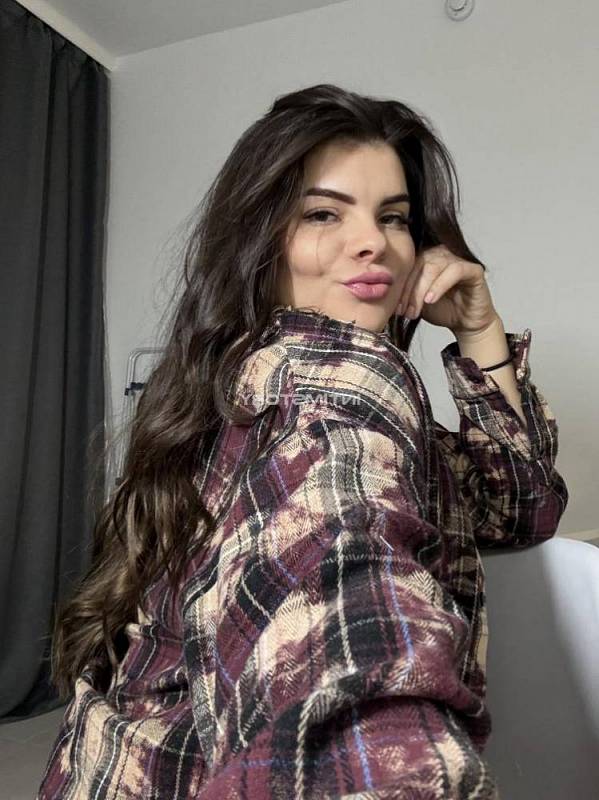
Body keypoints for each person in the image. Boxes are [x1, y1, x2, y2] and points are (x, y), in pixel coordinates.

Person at [37, 83, 568, 799]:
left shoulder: (239, 380)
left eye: (394, 217)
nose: (373, 242)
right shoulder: (332, 383)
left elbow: (522, 507)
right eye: (323, 213)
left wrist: (479, 329)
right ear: (261, 241)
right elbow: (340, 592)